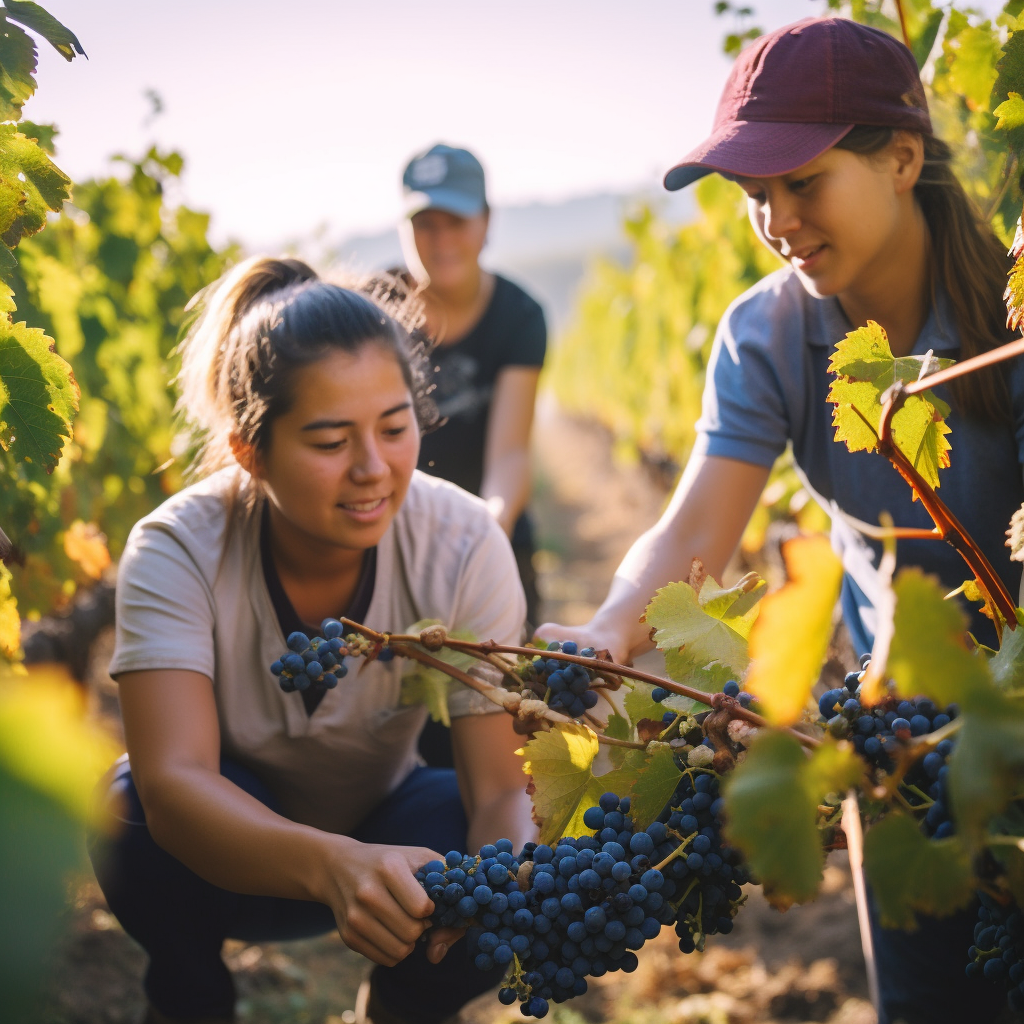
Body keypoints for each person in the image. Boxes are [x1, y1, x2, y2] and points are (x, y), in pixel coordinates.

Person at [538, 18, 1024, 1024]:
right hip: (902, 746)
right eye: (755, 194)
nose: (773, 218)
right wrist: (611, 624)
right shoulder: (768, 333)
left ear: (900, 158)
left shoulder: (1009, 327)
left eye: (800, 183)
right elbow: (692, 529)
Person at [87, 256, 535, 1024]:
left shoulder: (461, 543)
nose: (373, 469)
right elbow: (173, 786)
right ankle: (189, 997)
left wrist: (495, 897)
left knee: (493, 859)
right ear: (247, 451)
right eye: (330, 442)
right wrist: (332, 866)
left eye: (395, 429)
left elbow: (498, 789)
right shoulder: (177, 547)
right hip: (224, 859)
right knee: (124, 812)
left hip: (393, 838)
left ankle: (398, 1010)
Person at [400, 143, 547, 629]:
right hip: (391, 542)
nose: (441, 240)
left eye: (456, 222)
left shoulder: (518, 317)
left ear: (486, 221)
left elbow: (509, 454)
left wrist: (483, 538)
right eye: (425, 224)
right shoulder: (370, 309)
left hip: (491, 535)